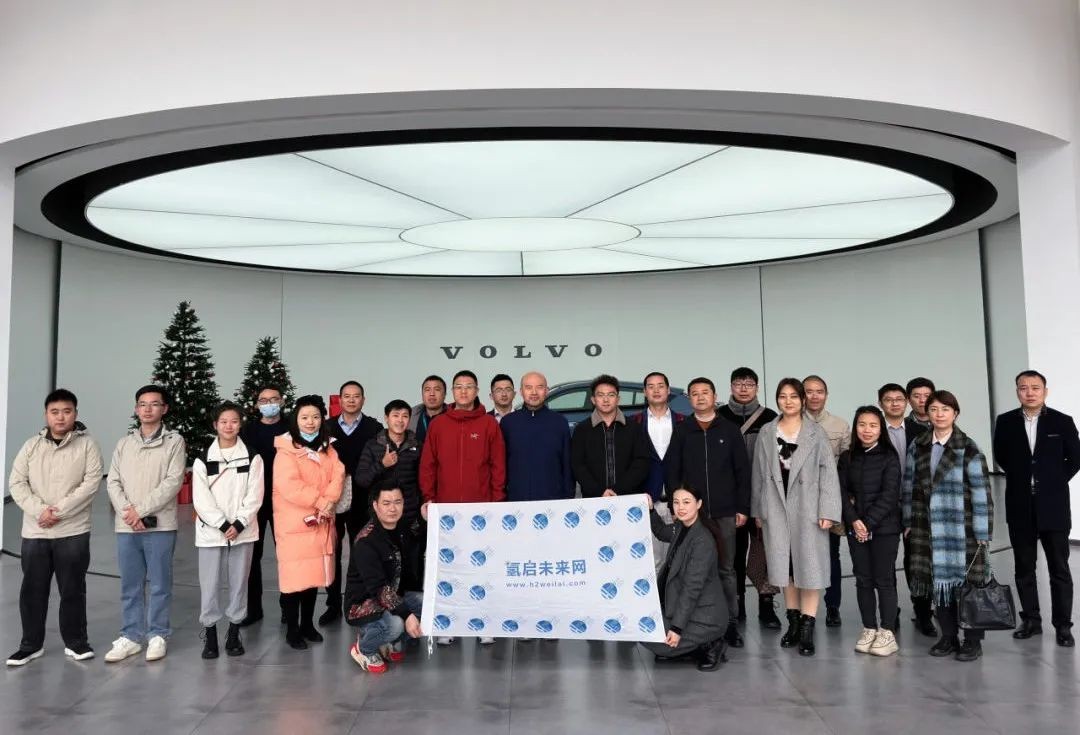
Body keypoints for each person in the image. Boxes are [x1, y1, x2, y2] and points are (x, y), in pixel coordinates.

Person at [6, 389, 104, 667]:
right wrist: (40, 511)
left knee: (72, 589)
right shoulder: (31, 446)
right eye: (55, 412)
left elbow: (91, 484)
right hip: (36, 530)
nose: (61, 417)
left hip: (72, 530)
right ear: (46, 415)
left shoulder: (88, 445)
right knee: (32, 590)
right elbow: (17, 483)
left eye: (67, 411)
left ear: (76, 413)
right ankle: (30, 645)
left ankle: (76, 642)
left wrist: (57, 512)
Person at [751, 378, 841, 657]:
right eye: (782, 396)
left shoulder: (815, 432)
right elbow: (758, 473)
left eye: (793, 396)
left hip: (808, 508)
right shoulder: (767, 431)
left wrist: (828, 511)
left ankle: (807, 627)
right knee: (785, 567)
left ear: (802, 400)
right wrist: (758, 510)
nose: (787, 401)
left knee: (810, 567)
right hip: (776, 506)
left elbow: (828, 473)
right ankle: (792, 622)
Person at [903, 390, 993, 662]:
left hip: (962, 529)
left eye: (945, 409)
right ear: (927, 413)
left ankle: (973, 641)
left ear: (955, 413)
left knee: (971, 585)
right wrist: (907, 521)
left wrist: (982, 532)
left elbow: (981, 492)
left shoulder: (968, 448)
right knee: (939, 584)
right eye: (934, 409)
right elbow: (908, 485)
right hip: (927, 526)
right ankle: (949, 637)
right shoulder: (918, 444)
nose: (939, 414)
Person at [994, 370, 1080, 647]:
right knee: (1024, 567)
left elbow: (1075, 458)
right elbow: (1001, 456)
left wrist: (1052, 481)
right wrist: (1023, 479)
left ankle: (1063, 626)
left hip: (1053, 505)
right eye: (1023, 388)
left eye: (1035, 387)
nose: (1029, 392)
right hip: (1020, 504)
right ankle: (1031, 620)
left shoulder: (1062, 421)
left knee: (1059, 568)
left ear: (1045, 391)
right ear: (1017, 391)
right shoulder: (1005, 421)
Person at [419, 369, 506, 646]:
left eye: (469, 386)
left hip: (481, 511)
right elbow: (428, 465)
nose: (464, 391)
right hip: (446, 511)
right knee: (450, 567)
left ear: (477, 391)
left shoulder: (489, 424)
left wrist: (496, 503)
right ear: (453, 392)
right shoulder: (439, 425)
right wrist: (429, 498)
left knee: (481, 567)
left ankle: (483, 622)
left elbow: (498, 466)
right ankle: (449, 623)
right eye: (459, 386)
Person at [665, 377, 750, 649]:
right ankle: (695, 623)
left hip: (725, 512)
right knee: (692, 571)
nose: (700, 397)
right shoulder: (682, 431)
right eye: (694, 394)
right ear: (689, 399)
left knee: (726, 569)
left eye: (705, 393)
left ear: (714, 396)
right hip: (693, 516)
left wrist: (743, 507)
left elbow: (742, 471)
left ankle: (731, 624)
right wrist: (676, 506)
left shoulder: (730, 430)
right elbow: (672, 471)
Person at [104, 385, 187, 663]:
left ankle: (158, 634)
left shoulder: (174, 442)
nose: (147, 409)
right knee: (130, 584)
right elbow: (113, 481)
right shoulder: (124, 444)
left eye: (154, 404)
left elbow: (172, 482)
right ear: (136, 409)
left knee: (160, 583)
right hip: (127, 526)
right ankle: (131, 636)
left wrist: (138, 510)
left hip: (160, 525)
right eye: (142, 404)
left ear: (164, 409)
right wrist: (128, 513)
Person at [192, 402, 264, 659]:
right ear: (215, 425)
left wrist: (239, 523)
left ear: (240, 424)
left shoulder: (252, 457)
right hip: (212, 533)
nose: (228, 426)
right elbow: (201, 498)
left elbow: (255, 494)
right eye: (223, 421)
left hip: (243, 532)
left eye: (234, 421)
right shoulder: (203, 458)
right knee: (209, 584)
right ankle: (210, 633)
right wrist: (223, 524)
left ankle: (234, 632)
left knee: (239, 583)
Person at [273, 394, 345, 650]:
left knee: (313, 577)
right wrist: (321, 501)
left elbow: (338, 475)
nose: (310, 422)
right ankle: (293, 630)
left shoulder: (328, 448)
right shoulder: (286, 451)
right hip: (295, 525)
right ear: (296, 420)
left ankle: (307, 625)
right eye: (305, 417)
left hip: (320, 522)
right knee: (294, 580)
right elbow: (289, 486)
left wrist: (329, 500)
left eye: (315, 417)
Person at [717, 367, 781, 629]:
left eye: (749, 384)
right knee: (732, 554)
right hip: (729, 498)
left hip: (763, 495)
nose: (743, 389)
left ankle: (766, 606)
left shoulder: (770, 418)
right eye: (738, 383)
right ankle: (737, 605)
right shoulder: (719, 416)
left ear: (757, 388)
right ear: (731, 387)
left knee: (765, 552)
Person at [641, 487, 728, 672]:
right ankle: (689, 647)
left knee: (654, 637)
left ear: (699, 504)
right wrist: (650, 510)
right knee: (643, 627)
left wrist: (677, 629)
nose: (680, 507)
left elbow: (691, 589)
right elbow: (661, 531)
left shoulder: (702, 541)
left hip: (706, 618)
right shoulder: (681, 527)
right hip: (684, 609)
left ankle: (711, 643)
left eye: (686, 502)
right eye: (676, 502)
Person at [838, 406, 902, 657]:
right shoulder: (847, 457)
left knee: (884, 579)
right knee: (863, 579)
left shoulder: (889, 457)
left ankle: (887, 631)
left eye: (873, 425)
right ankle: (869, 628)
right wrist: (854, 521)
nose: (867, 430)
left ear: (880, 429)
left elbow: (890, 495)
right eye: (862, 424)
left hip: (885, 529)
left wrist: (868, 523)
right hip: (856, 529)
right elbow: (841, 492)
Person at [322, 380, 382, 626]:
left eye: (356, 396)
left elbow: (378, 464)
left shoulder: (374, 428)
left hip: (362, 500)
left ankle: (357, 601)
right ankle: (332, 604)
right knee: (332, 552)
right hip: (333, 500)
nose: (351, 400)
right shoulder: (326, 427)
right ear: (340, 399)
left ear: (363, 400)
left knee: (361, 552)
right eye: (346, 396)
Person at [344, 487, 424, 673]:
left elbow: (415, 533)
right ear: (376, 505)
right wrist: (407, 615)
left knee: (425, 604)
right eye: (386, 503)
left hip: (391, 595)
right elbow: (379, 589)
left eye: (397, 502)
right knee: (396, 624)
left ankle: (387, 641)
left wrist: (423, 518)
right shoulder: (366, 541)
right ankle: (364, 648)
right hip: (364, 603)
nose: (392, 508)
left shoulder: (400, 527)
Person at [879, 382, 936, 636]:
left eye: (899, 399)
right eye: (888, 399)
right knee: (885, 562)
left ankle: (923, 613)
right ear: (881, 403)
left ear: (906, 402)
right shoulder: (873, 428)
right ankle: (890, 613)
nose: (894, 404)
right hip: (883, 506)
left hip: (916, 505)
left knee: (918, 561)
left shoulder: (921, 431)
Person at [238, 384, 288, 627]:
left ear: (282, 401)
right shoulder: (247, 431)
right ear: (257, 404)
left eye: (274, 399)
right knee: (252, 557)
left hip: (285, 502)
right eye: (264, 400)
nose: (269, 404)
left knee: (287, 556)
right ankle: (253, 608)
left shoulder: (291, 427)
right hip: (255, 502)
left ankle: (289, 608)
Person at [803, 374, 850, 628]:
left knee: (831, 555)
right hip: (800, 502)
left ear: (826, 394)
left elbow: (848, 464)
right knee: (800, 555)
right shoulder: (791, 423)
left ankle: (833, 606)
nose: (814, 396)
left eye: (819, 391)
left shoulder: (839, 425)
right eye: (809, 391)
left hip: (829, 500)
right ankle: (802, 612)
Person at [570, 374, 651, 498]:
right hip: (594, 499)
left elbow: (641, 463)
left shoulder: (634, 427)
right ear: (593, 399)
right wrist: (599, 491)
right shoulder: (582, 430)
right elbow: (578, 466)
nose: (606, 400)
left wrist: (618, 490)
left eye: (611, 395)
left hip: (629, 498)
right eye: (600, 395)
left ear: (618, 399)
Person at [501, 371, 573, 502]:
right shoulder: (508, 423)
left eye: (539, 387)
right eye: (528, 387)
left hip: (552, 500)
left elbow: (567, 464)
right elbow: (501, 464)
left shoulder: (559, 422)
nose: (534, 392)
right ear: (521, 391)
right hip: (516, 500)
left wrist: (568, 497)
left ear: (546, 391)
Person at [355, 399, 424, 529]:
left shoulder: (418, 445)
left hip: (410, 515)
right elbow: (361, 480)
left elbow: (423, 480)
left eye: (405, 416)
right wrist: (382, 464)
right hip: (381, 516)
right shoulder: (373, 445)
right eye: (395, 415)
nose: (400, 420)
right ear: (386, 418)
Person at [408, 375, 448, 445]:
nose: (432, 394)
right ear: (422, 394)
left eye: (437, 389)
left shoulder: (454, 416)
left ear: (444, 394)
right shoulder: (410, 415)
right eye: (427, 390)